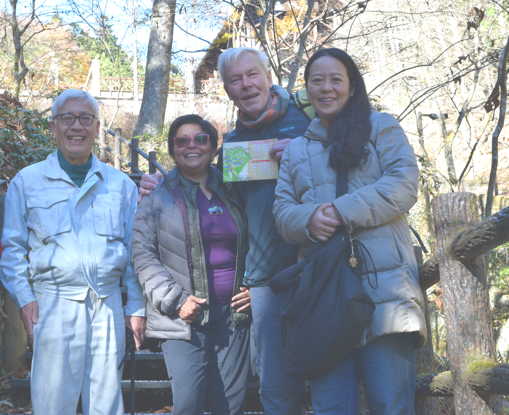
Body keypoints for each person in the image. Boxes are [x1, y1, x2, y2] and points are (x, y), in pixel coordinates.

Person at [140, 47, 310, 415]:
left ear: (267, 75)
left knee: (303, 380)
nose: (246, 84)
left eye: (252, 74)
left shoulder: (310, 123)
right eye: (235, 79)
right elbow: (144, 254)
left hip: (306, 271)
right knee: (252, 387)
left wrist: (305, 151)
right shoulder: (234, 151)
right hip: (218, 304)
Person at [273, 48, 427, 415]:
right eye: (317, 81)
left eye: (335, 79)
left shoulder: (382, 128)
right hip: (325, 298)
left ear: (352, 86)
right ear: (306, 89)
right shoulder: (297, 150)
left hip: (385, 292)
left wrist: (341, 212)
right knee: (331, 407)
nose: (326, 88)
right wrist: (309, 220)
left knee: (391, 403)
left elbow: (403, 185)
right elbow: (281, 213)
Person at [0, 89, 145, 415]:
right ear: (54, 127)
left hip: (106, 304)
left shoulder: (120, 185)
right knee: (53, 404)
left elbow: (136, 252)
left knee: (106, 404)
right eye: (67, 118)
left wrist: (136, 306)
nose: (76, 127)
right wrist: (24, 299)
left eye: (85, 119)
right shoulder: (28, 181)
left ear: (96, 128)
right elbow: (12, 249)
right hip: (52, 304)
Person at [132, 114, 251, 415]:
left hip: (234, 316)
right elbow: (143, 255)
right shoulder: (157, 198)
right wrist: (175, 300)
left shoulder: (235, 189)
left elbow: (260, 236)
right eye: (182, 141)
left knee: (231, 405)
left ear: (213, 147)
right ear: (172, 150)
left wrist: (255, 285)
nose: (192, 146)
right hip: (184, 319)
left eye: (201, 139)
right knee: (188, 405)